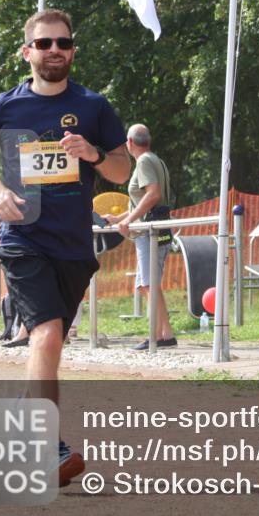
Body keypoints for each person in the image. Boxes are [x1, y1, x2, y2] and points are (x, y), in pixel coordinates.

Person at [0, 9, 130, 485]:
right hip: (23, 238)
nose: (54, 50)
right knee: (48, 334)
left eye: (62, 42)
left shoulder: (94, 106)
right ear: (27, 52)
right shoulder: (5, 107)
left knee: (51, 343)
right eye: (44, 43)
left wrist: (94, 155)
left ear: (72, 50)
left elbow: (121, 170)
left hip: (74, 245)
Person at [103, 124, 176, 350]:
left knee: (148, 284)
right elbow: (142, 201)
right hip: (153, 228)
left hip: (149, 231)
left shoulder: (144, 162)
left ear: (130, 142)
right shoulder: (156, 160)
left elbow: (153, 195)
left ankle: (156, 336)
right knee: (148, 284)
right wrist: (119, 219)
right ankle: (165, 334)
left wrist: (128, 221)